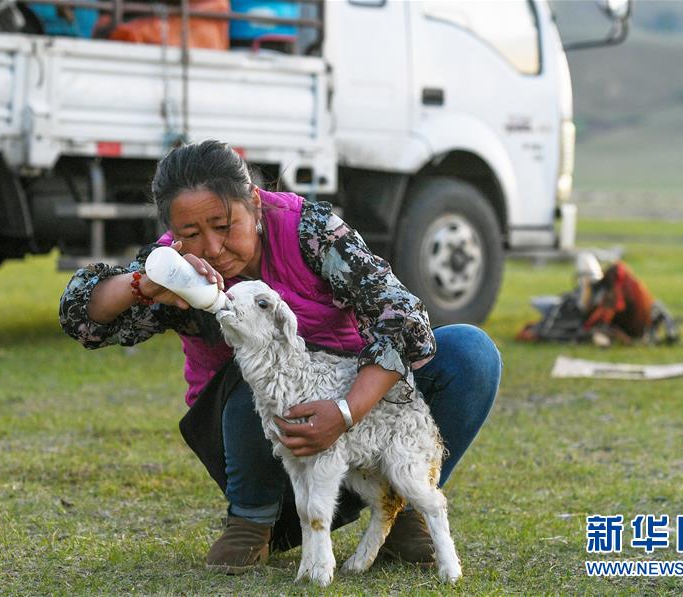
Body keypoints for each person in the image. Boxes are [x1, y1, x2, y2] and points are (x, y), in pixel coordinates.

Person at [59, 139, 502, 574]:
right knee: (254, 356)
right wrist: (144, 283)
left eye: (223, 224)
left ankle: (402, 509)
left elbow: (402, 316)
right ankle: (252, 520)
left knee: (470, 352)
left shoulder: (312, 233)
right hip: (267, 457)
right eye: (191, 234)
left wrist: (345, 413)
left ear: (254, 202)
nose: (211, 248)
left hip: (362, 435)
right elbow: (80, 313)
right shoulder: (177, 267)